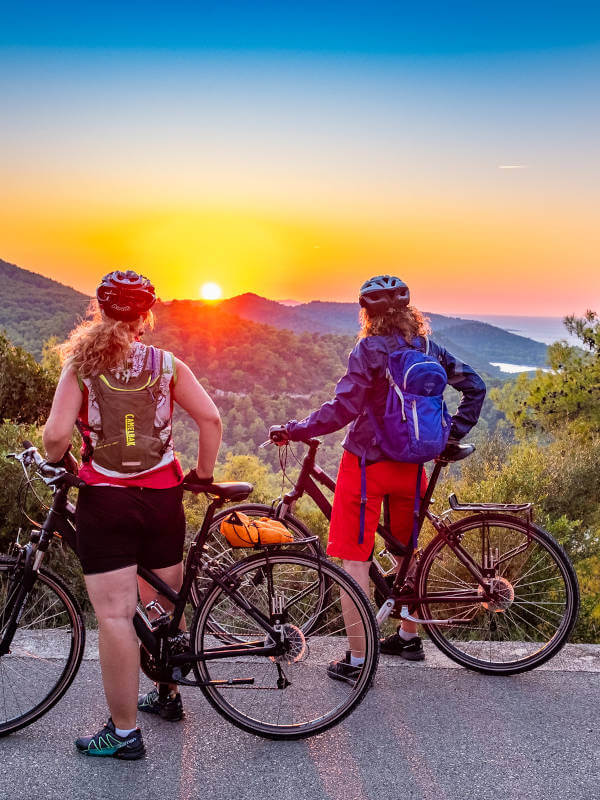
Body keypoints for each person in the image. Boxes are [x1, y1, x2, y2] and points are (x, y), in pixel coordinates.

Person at [43, 270, 222, 759]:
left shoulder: (81, 365)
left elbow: (56, 438)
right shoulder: (167, 364)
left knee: (117, 616)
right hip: (164, 498)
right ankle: (167, 695)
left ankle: (123, 734)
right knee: (163, 603)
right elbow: (210, 419)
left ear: (100, 313)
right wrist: (202, 476)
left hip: (107, 500)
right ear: (146, 316)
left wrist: (60, 460)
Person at [277, 275, 486, 683]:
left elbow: (341, 410)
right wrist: (451, 435)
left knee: (354, 562)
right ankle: (408, 637)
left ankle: (357, 661)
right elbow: (474, 386)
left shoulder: (369, 349)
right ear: (410, 312)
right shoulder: (427, 347)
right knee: (405, 550)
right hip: (413, 464)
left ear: (366, 314)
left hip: (367, 465)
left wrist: (296, 428)